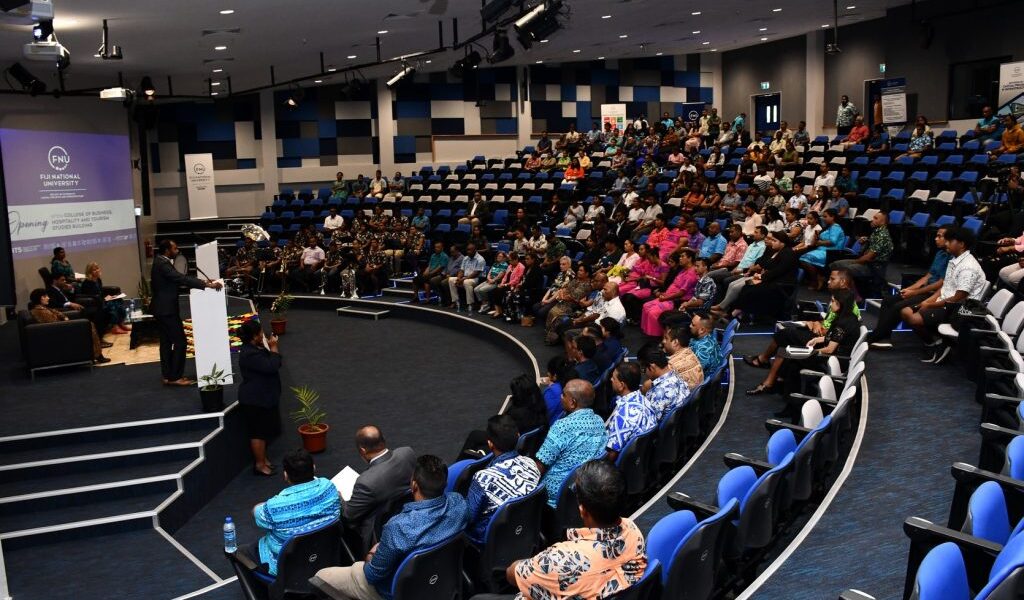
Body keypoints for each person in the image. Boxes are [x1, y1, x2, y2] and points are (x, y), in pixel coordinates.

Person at [483, 460, 646, 600]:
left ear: (582, 511)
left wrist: (519, 565)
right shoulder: (633, 531)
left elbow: (513, 574)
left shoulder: (559, 560)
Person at [311, 455, 468, 600]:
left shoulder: (398, 527)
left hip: (396, 591)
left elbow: (372, 575)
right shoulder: (459, 503)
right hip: (439, 576)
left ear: (414, 485)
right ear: (444, 483)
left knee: (321, 576)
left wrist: (371, 555)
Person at [746, 289, 861, 405]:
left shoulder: (843, 322)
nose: (830, 304)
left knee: (787, 353)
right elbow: (834, 338)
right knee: (787, 354)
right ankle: (781, 391)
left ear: (840, 304)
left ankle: (772, 385)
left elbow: (830, 349)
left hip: (834, 359)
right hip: (833, 354)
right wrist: (817, 339)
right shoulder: (847, 317)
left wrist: (809, 351)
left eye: (833, 301)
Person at [239, 449, 341, 578]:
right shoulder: (329, 487)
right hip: (325, 556)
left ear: (286, 475)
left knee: (241, 552)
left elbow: (256, 512)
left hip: (288, 567)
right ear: (314, 468)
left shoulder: (273, 507)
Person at [903, 227, 987, 365]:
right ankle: (936, 341)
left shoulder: (968, 267)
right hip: (945, 302)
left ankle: (940, 343)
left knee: (913, 317)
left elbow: (959, 298)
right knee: (906, 311)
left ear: (961, 244)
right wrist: (928, 302)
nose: (946, 243)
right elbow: (945, 287)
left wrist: (930, 305)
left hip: (959, 309)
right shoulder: (954, 260)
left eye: (950, 241)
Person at [151, 240, 222, 385]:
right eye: (175, 248)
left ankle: (168, 375)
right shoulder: (163, 264)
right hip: (167, 310)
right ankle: (176, 377)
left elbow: (177, 277)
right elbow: (179, 278)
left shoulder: (160, 261)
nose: (177, 251)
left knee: (166, 343)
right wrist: (206, 284)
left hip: (161, 308)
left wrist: (203, 281)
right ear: (167, 250)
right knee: (180, 342)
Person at [465, 415, 542, 546]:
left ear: (490, 444)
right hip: (523, 531)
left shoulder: (483, 478)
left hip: (490, 541)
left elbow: (469, 518)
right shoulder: (531, 464)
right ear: (518, 436)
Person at [868, 226, 950, 349]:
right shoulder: (940, 253)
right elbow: (928, 276)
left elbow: (940, 284)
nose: (936, 239)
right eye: (936, 235)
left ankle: (874, 337)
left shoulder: (951, 258)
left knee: (897, 307)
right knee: (888, 300)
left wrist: (914, 292)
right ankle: (884, 337)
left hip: (934, 294)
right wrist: (910, 289)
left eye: (940, 236)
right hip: (925, 289)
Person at [342, 426, 417, 555]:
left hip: (379, 534)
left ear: (363, 450)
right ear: (384, 440)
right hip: (411, 516)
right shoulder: (407, 453)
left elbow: (349, 517)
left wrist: (339, 497)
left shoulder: (365, 482)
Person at [535, 379, 606, 508]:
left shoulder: (562, 427)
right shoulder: (600, 422)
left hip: (555, 495)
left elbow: (541, 464)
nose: (560, 397)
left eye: (563, 394)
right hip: (586, 489)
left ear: (572, 402)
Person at [236, 320, 283, 476]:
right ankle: (260, 465)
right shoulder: (249, 354)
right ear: (254, 336)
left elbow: (273, 362)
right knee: (258, 433)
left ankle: (264, 459)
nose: (263, 335)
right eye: (261, 333)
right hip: (254, 399)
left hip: (262, 397)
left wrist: (269, 347)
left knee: (263, 432)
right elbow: (272, 366)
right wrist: (274, 347)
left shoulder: (255, 348)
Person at [27, 288, 109, 364]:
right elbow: (54, 325)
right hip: (61, 332)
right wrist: (68, 324)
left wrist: (65, 318)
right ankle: (97, 355)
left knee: (89, 324)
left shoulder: (43, 308)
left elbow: (57, 312)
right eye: (45, 296)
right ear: (40, 298)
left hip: (63, 328)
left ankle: (95, 354)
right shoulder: (40, 311)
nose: (48, 298)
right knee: (89, 325)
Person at [603, 363, 658, 463]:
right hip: (643, 458)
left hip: (626, 464)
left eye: (614, 378)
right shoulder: (644, 399)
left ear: (621, 385)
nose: (611, 379)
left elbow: (612, 455)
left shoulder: (622, 415)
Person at [832, 211, 893, 288]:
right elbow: (874, 244)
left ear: (883, 222)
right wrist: (866, 240)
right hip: (867, 263)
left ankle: (848, 292)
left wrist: (854, 262)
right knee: (835, 264)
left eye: (876, 218)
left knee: (844, 269)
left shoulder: (882, 236)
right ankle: (837, 288)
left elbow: (868, 257)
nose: (872, 220)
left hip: (873, 267)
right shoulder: (877, 232)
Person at [638, 342, 689, 422]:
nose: (644, 374)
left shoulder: (658, 393)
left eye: (643, 369)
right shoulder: (677, 376)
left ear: (652, 367)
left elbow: (649, 422)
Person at [799, 208, 847, 290]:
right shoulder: (829, 227)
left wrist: (819, 242)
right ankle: (819, 277)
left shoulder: (836, 227)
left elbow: (832, 241)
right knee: (801, 256)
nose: (823, 218)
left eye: (825, 216)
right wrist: (817, 238)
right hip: (822, 250)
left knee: (804, 259)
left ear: (832, 217)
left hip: (831, 252)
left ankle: (815, 280)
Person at [80, 261, 129, 335]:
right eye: (94, 270)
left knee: (118, 300)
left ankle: (121, 323)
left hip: (101, 299)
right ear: (89, 272)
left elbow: (101, 293)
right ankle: (114, 326)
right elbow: (92, 296)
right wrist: (105, 299)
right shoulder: (87, 283)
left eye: (97, 268)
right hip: (95, 302)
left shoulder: (98, 280)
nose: (97, 270)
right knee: (112, 304)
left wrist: (110, 297)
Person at [661, 325, 703, 390]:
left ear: (675, 342)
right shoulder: (690, 352)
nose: (663, 341)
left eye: (666, 338)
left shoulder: (671, 365)